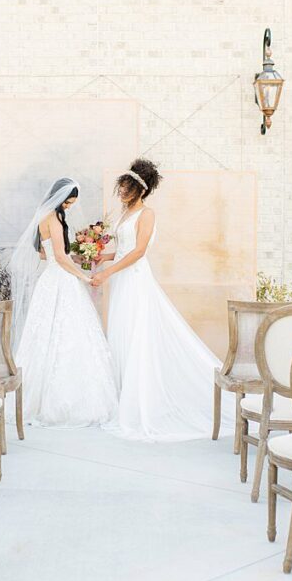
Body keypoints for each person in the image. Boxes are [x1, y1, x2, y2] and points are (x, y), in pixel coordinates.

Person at [92, 158, 234, 441]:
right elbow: (122, 249)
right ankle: (122, 399)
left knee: (135, 335)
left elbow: (138, 252)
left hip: (134, 280)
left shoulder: (147, 214)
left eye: (127, 188)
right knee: (120, 334)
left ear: (140, 190)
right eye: (121, 186)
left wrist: (107, 273)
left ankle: (139, 404)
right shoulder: (124, 214)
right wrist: (98, 255)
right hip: (121, 278)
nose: (121, 191)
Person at [9, 178, 117, 428]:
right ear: (59, 198)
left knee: (53, 334)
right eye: (68, 203)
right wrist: (84, 276)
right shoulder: (53, 219)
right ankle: (60, 403)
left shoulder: (46, 218)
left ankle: (36, 398)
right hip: (61, 280)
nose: (69, 207)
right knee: (66, 333)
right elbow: (58, 255)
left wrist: (80, 257)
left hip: (52, 278)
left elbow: (44, 253)